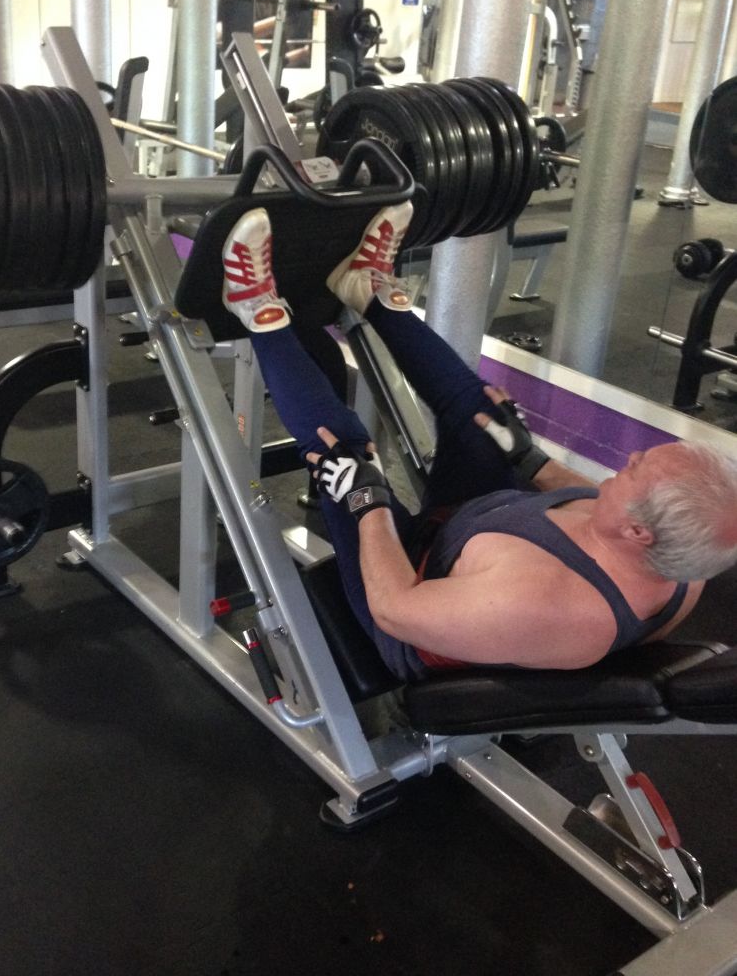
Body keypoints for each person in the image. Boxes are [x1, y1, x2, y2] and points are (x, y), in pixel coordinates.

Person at [219, 200, 737, 680]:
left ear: (638, 532)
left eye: (635, 470)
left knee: (345, 455)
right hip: (477, 528)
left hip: (405, 585)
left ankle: (254, 309)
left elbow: (394, 609)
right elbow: (580, 493)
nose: (628, 459)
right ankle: (366, 292)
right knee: (490, 415)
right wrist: (527, 455)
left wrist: (366, 497)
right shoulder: (686, 566)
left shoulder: (543, 603)